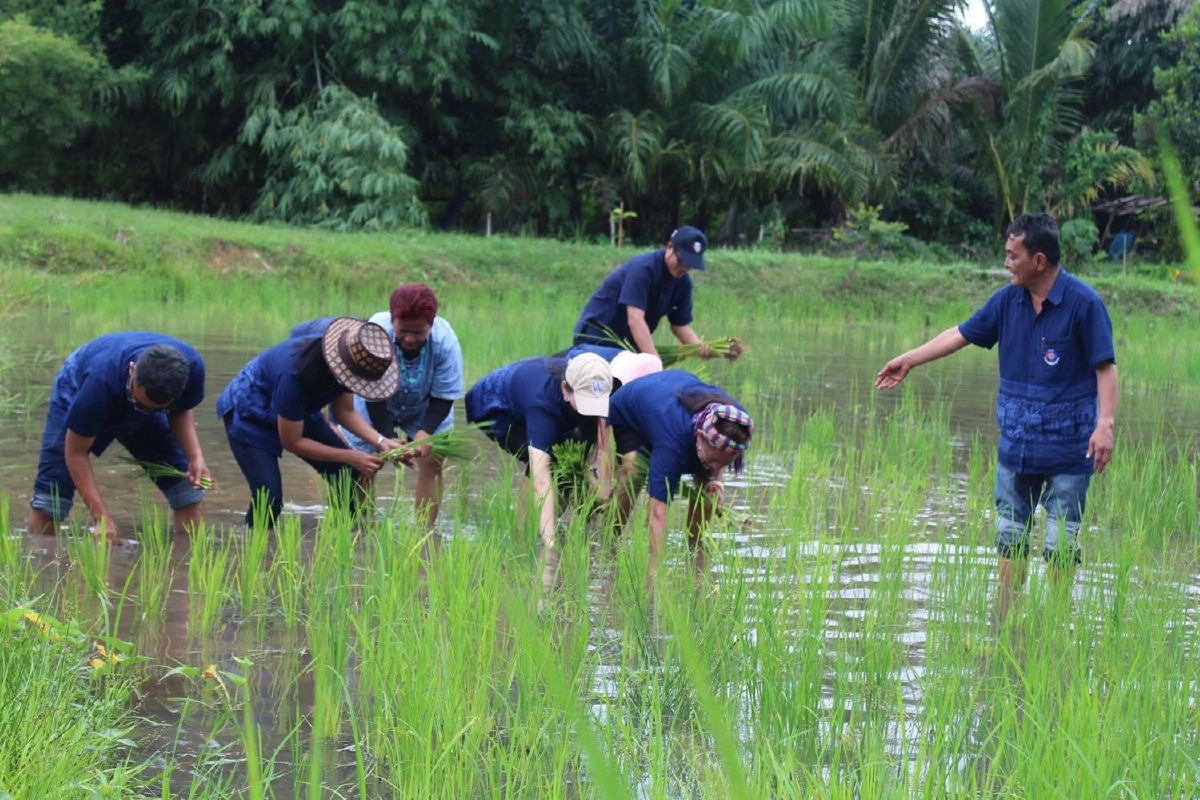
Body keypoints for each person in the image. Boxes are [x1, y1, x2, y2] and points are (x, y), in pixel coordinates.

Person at [874, 212, 1118, 624]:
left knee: (1061, 544)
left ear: (1038, 260)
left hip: (1068, 449)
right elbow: (961, 333)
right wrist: (909, 360)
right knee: (1010, 540)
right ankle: (1006, 629)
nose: (1007, 262)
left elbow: (1105, 366)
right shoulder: (1007, 301)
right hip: (1016, 449)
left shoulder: (1083, 303)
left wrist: (1105, 424)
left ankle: (1055, 632)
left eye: (1012, 255)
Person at [217, 317, 404, 527]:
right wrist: (350, 455)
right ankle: (254, 549)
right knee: (268, 499)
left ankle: (346, 540)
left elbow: (344, 412)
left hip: (299, 411)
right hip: (252, 412)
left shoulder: (352, 359)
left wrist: (381, 441)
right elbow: (292, 441)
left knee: (346, 476)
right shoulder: (295, 375)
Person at [26, 333, 210, 546]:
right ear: (132, 370)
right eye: (139, 403)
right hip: (79, 388)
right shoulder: (99, 382)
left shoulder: (192, 369)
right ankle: (41, 560)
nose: (141, 411)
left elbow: (180, 411)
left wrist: (195, 456)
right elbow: (75, 452)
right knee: (51, 498)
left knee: (187, 491)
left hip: (134, 393)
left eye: (154, 409)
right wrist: (101, 518)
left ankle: (187, 563)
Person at [606, 369, 754, 588]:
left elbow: (718, 460)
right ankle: (610, 541)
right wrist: (656, 567)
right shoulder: (672, 444)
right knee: (634, 475)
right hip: (632, 414)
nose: (716, 466)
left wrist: (716, 481)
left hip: (670, 404)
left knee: (707, 493)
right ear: (701, 437)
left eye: (723, 463)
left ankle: (694, 550)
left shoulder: (735, 423)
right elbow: (658, 512)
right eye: (713, 459)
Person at [338, 284, 463, 529]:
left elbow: (444, 395)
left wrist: (425, 432)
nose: (409, 338)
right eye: (403, 330)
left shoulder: (445, 342)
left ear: (432, 323)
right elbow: (374, 396)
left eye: (418, 332)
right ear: (392, 317)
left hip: (425, 403)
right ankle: (363, 530)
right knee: (365, 463)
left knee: (433, 460)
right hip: (375, 400)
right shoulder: (375, 333)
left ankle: (424, 533)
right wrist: (386, 439)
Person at [464, 352, 612, 548]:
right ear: (565, 389)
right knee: (547, 462)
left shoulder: (594, 381)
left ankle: (553, 523)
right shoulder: (542, 403)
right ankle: (523, 533)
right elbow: (541, 479)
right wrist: (550, 548)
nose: (593, 409)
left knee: (570, 464)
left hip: (542, 396)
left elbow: (598, 452)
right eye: (587, 402)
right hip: (496, 405)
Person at [573, 226, 718, 358]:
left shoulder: (683, 283)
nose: (684, 268)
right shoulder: (643, 269)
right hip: (597, 339)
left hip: (627, 345)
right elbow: (635, 319)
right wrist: (654, 360)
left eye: (690, 265)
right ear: (669, 247)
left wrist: (699, 348)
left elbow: (679, 325)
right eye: (681, 261)